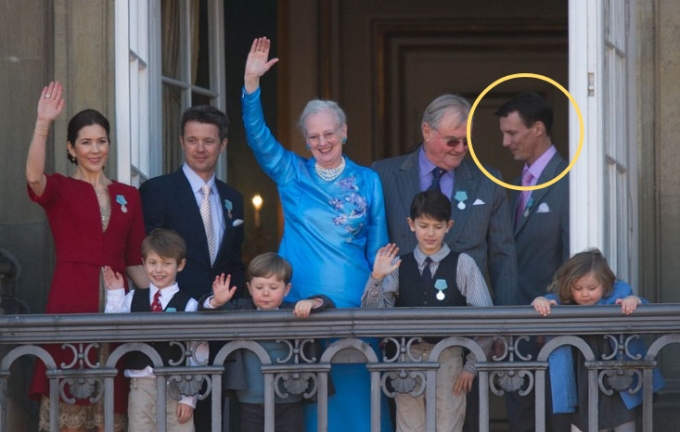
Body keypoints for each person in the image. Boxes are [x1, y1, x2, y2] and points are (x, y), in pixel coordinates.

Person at [241, 37, 391, 432]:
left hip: (356, 305)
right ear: (305, 140)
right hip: (301, 303)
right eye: (313, 136)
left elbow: (379, 247)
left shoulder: (369, 180)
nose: (321, 142)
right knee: (307, 408)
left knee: (359, 409)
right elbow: (258, 139)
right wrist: (252, 87)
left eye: (329, 133)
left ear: (344, 132)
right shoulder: (292, 173)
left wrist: (379, 299)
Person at [25, 81, 149, 431]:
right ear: (71, 148)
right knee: (69, 400)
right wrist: (42, 123)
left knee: (113, 407)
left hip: (116, 305)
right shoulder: (62, 189)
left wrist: (162, 304)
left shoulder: (128, 195)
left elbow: (135, 260)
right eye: (86, 142)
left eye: (101, 141)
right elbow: (34, 177)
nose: (95, 150)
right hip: (71, 297)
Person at [139, 104, 246, 430]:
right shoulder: (155, 191)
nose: (200, 148)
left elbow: (233, 263)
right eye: (192, 140)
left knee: (214, 414)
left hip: (220, 324)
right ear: (182, 142)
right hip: (174, 325)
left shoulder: (233, 198)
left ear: (223, 144)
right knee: (173, 417)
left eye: (209, 141)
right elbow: (148, 259)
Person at [362, 190, 494, 432]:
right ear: (411, 225)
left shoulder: (463, 263)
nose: (430, 233)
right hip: (406, 357)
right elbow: (372, 316)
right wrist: (377, 277)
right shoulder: (399, 266)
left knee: (448, 426)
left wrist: (471, 366)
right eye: (424, 225)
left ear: (449, 226)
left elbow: (485, 318)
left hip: (450, 358)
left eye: (437, 226)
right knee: (410, 427)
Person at [371, 93, 517, 307]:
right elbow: (371, 246)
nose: (460, 149)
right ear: (427, 131)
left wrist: (505, 327)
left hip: (469, 323)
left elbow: (502, 258)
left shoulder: (488, 181)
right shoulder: (384, 175)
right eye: (452, 141)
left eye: (466, 142)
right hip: (403, 320)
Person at [496, 92, 570, 432]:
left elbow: (572, 258)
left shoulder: (570, 180)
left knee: (555, 418)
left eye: (512, 133)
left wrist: (556, 314)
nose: (505, 142)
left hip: (550, 327)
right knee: (522, 419)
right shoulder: (513, 183)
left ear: (538, 128)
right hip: (515, 325)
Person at [531, 249, 664, 432]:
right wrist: (540, 301)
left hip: (618, 372)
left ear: (605, 284)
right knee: (586, 420)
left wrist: (633, 301)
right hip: (583, 377)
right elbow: (543, 302)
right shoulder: (563, 302)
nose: (585, 294)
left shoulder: (619, 295)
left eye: (591, 288)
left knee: (623, 420)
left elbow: (639, 303)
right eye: (578, 289)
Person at [203, 252, 335, 432]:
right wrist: (216, 301)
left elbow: (327, 304)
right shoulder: (240, 308)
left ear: (286, 289)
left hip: (289, 398)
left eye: (273, 287)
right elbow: (205, 309)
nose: (266, 293)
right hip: (249, 399)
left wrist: (311, 303)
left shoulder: (294, 310)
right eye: (259, 287)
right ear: (249, 288)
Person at [103, 229, 207, 432]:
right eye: (152, 263)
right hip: (141, 385)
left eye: (166, 263)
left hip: (177, 385)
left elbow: (198, 350)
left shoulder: (189, 304)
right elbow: (114, 329)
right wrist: (115, 293)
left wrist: (189, 397)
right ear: (143, 263)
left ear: (181, 265)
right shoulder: (133, 298)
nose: (159, 269)